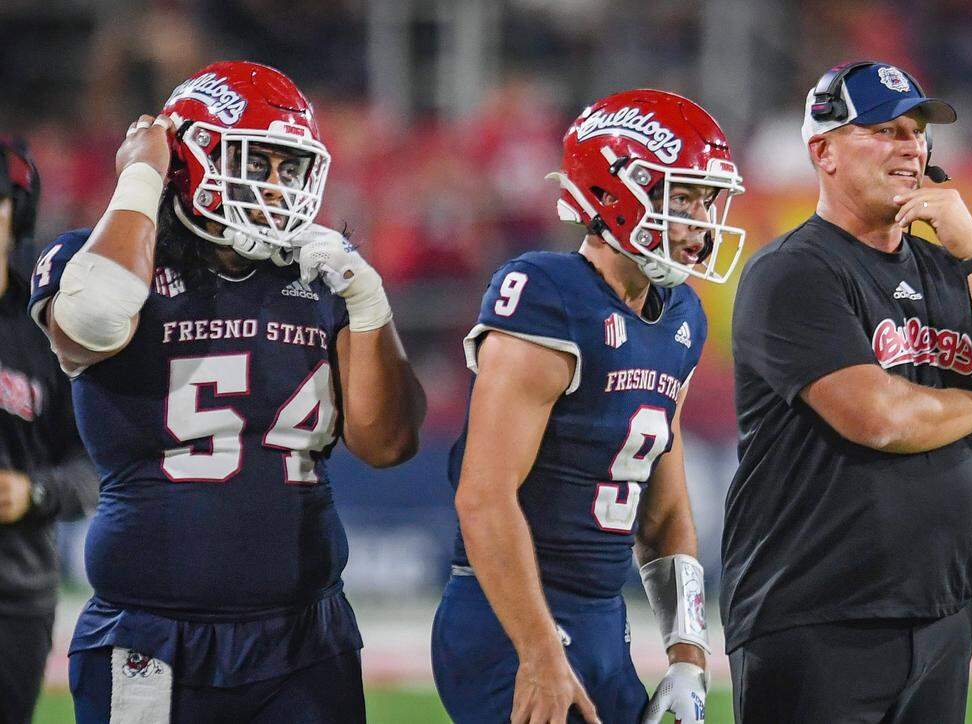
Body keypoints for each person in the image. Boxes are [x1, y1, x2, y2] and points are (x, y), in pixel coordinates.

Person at [28, 61, 426, 723]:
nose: (275, 187)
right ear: (188, 160)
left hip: (307, 637)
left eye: (287, 168)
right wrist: (142, 174)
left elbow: (388, 444)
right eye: (255, 162)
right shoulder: (98, 260)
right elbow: (90, 323)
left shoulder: (324, 278)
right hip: (152, 637)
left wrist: (369, 299)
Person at [722, 60, 972, 722]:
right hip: (815, 619)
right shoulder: (793, 272)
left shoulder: (955, 268)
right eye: (884, 131)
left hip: (941, 616)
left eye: (917, 132)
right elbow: (877, 416)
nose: (911, 147)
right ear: (822, 151)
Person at [431, 89, 747, 724]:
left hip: (602, 619)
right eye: (680, 197)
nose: (700, 220)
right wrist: (539, 650)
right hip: (513, 619)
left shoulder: (680, 316)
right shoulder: (548, 295)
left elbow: (664, 513)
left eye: (706, 199)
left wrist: (688, 654)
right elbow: (483, 496)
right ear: (613, 193)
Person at [0, 137, 99, 724]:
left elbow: (92, 467)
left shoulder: (47, 328)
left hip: (13, 598)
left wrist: (30, 493)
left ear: (18, 215)